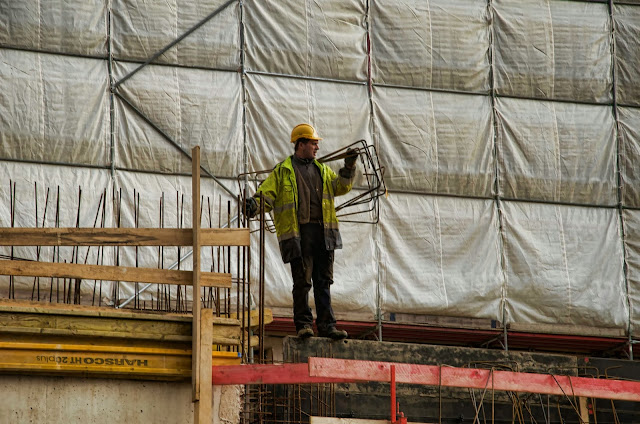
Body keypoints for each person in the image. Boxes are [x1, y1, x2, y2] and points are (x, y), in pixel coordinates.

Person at [244, 123, 357, 340]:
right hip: (300, 236)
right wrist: (253, 205)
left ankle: (327, 326)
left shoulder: (322, 170)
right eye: (314, 143)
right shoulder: (283, 171)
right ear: (301, 144)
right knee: (303, 283)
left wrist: (349, 167)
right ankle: (304, 325)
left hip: (324, 234)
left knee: (323, 283)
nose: (317, 147)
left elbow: (341, 187)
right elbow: (266, 196)